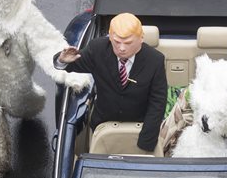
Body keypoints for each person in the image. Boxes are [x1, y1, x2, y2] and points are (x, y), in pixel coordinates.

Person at [53, 13, 167, 151]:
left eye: (128, 43)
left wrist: (146, 142)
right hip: (102, 126)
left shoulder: (155, 60)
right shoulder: (98, 49)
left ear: (141, 38)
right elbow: (73, 64)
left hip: (138, 128)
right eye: (117, 42)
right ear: (110, 37)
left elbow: (158, 102)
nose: (122, 48)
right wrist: (62, 60)